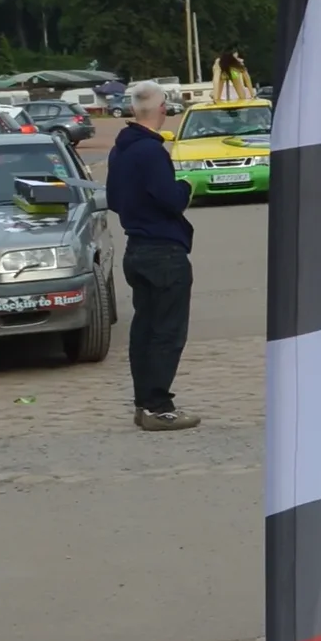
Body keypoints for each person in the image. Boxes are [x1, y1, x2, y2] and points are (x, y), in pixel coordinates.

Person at [105, 86, 199, 431]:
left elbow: (114, 200)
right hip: (163, 251)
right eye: (166, 107)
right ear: (160, 108)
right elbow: (170, 199)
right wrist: (186, 187)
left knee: (144, 329)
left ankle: (144, 402)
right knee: (167, 331)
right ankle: (159, 405)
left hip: (136, 249)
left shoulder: (120, 150)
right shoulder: (151, 151)